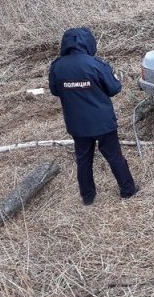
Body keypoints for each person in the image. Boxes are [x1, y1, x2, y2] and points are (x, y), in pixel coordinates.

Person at [49, 27, 137, 205]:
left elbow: (54, 90)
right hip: (103, 122)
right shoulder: (96, 64)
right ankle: (128, 190)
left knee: (83, 159)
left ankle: (88, 197)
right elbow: (114, 88)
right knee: (114, 156)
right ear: (88, 43)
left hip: (77, 124)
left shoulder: (57, 66)